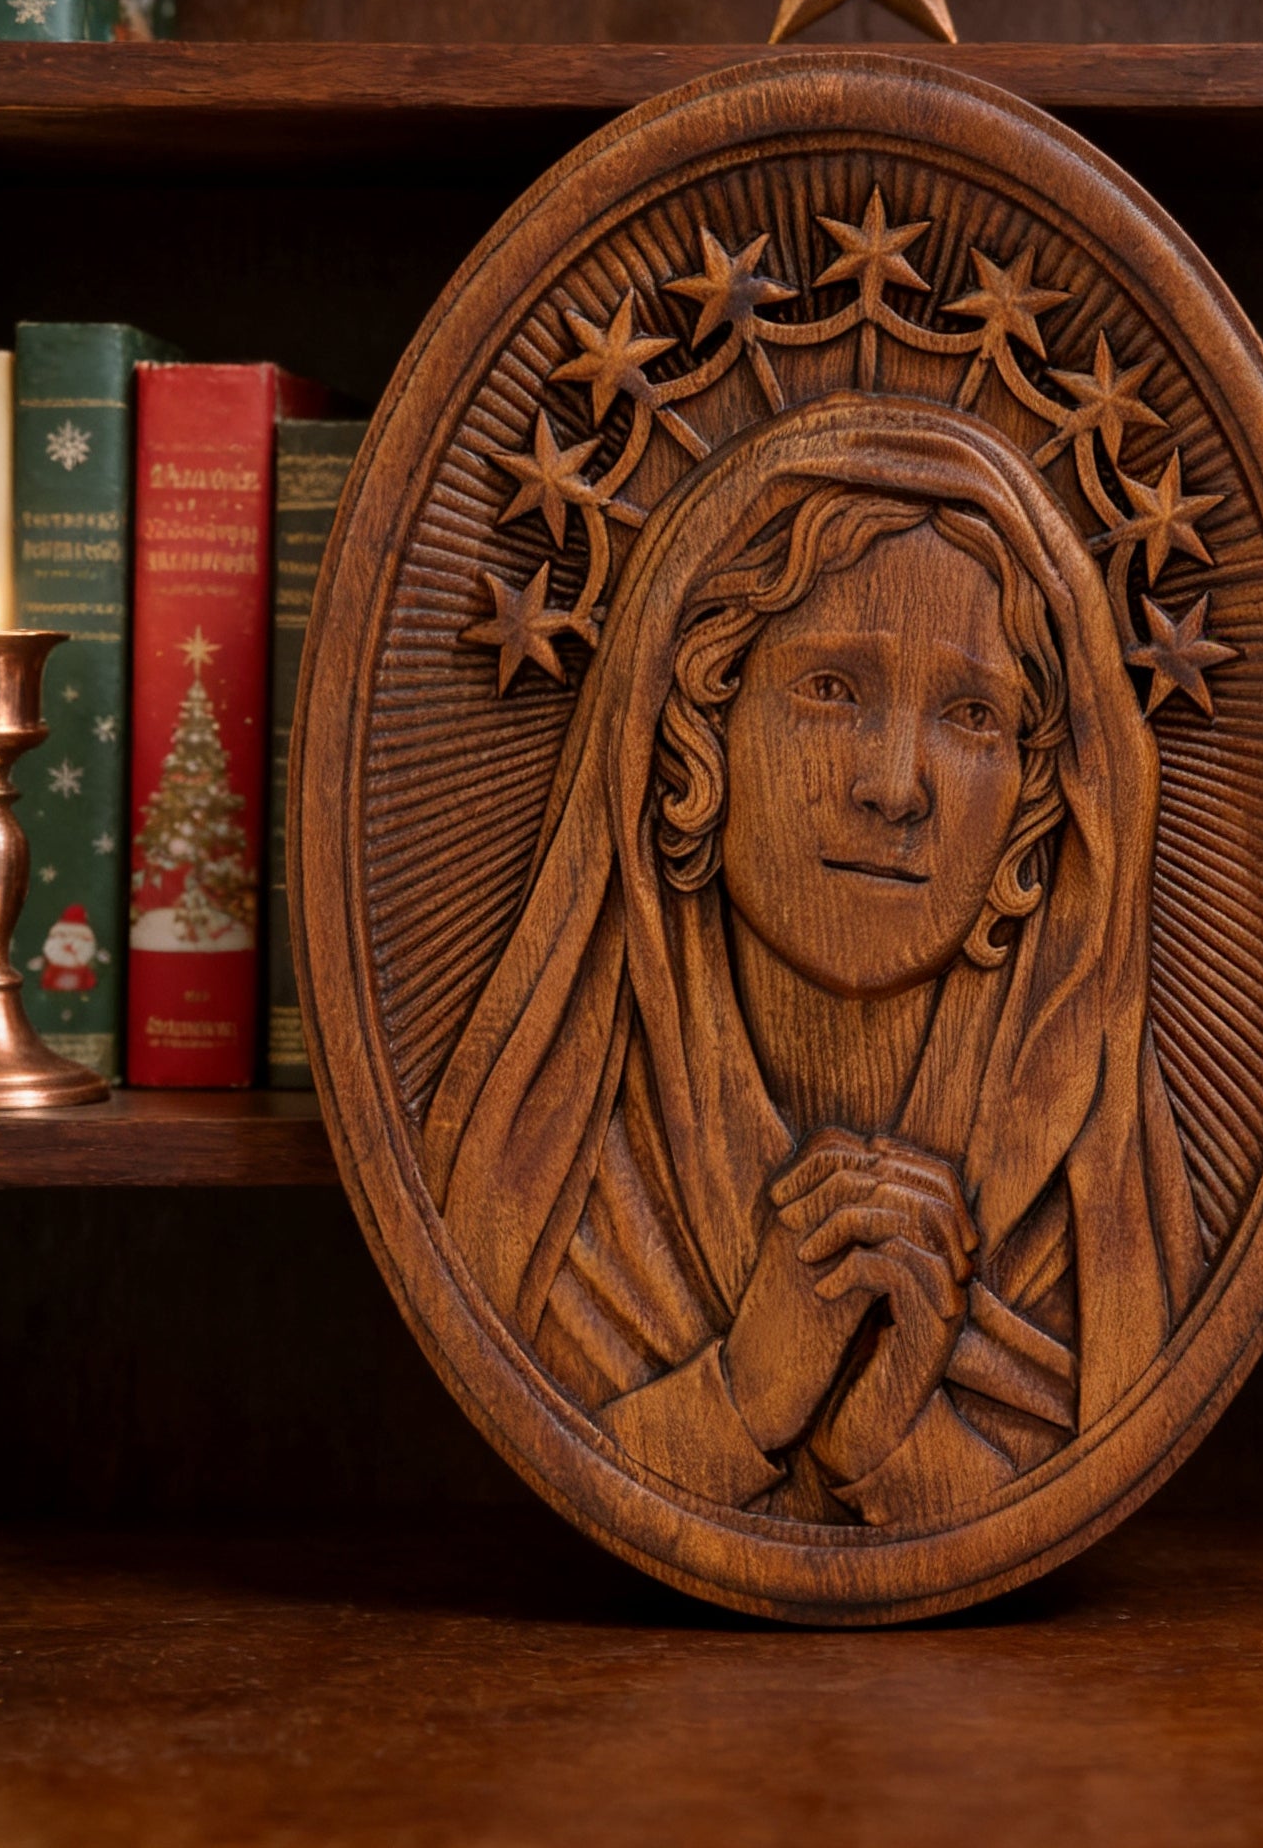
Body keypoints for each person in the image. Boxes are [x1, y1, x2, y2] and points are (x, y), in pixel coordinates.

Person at [422, 394, 1206, 1530]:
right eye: (831, 688)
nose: (895, 783)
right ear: (695, 732)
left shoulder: (1098, 1222)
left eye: (972, 716)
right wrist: (742, 1392)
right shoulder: (540, 1187)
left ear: (1035, 813)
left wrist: (890, 1438)